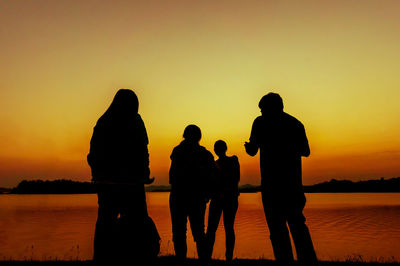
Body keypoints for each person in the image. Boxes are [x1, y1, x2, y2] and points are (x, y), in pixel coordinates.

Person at [244, 93, 318, 265]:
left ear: (275, 108)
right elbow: (305, 151)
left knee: (285, 227)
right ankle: (302, 263)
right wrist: (252, 147)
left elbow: (253, 150)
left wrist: (261, 146)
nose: (261, 112)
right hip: (284, 185)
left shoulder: (262, 123)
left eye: (263, 110)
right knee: (292, 226)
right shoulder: (294, 124)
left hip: (279, 185)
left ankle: (294, 263)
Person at [87, 89, 155, 262]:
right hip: (119, 184)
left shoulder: (108, 122)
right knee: (112, 222)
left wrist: (144, 171)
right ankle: (109, 258)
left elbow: (142, 150)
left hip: (123, 184)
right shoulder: (110, 122)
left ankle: (124, 257)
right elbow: (95, 154)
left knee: (119, 222)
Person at [169, 125, 215, 262]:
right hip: (195, 197)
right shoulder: (205, 154)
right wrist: (208, 193)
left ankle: (182, 261)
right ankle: (203, 261)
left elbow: (172, 176)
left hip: (181, 196)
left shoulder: (177, 151)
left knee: (180, 232)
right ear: (199, 137)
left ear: (184, 135)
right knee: (197, 232)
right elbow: (212, 176)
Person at [206, 140, 240, 261]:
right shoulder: (233, 161)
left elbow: (211, 183)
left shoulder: (215, 165)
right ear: (226, 148)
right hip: (228, 198)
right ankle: (228, 258)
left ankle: (208, 257)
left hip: (221, 198)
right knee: (228, 227)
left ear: (216, 150)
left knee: (212, 228)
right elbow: (236, 179)